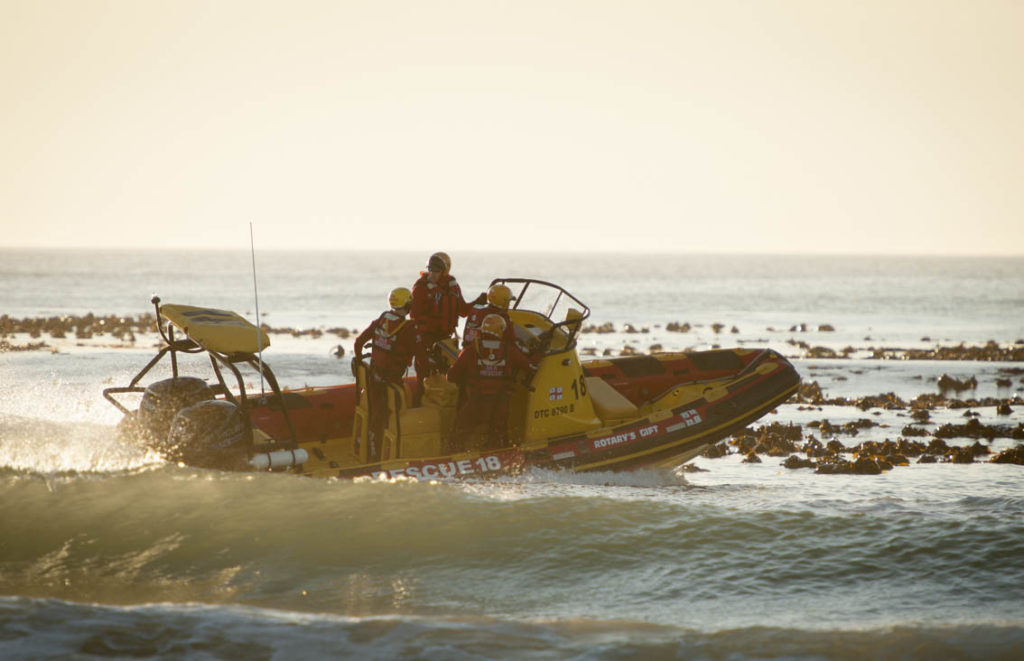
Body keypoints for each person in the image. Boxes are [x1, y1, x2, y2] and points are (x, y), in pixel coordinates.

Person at [353, 287, 427, 461]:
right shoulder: (408, 328)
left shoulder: (382, 319)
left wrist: (359, 361)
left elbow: (358, 342)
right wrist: (426, 374)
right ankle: (379, 456)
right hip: (391, 382)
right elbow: (422, 356)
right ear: (408, 305)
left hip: (373, 377)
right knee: (388, 416)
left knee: (375, 414)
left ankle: (372, 450)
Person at [446, 313, 535, 452]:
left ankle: (454, 457)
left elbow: (450, 376)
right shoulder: (510, 351)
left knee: (459, 431)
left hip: (474, 404)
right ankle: (499, 457)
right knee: (498, 434)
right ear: (501, 331)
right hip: (499, 406)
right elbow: (530, 367)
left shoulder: (470, 351)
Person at [410, 252, 481, 383]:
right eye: (430, 269)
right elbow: (414, 316)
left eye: (437, 270)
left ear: (445, 271)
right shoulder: (421, 288)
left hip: (446, 340)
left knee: (448, 378)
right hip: (427, 340)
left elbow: (463, 311)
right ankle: (418, 398)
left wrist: (477, 302)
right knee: (424, 376)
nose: (432, 273)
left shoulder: (452, 286)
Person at [462, 283, 516, 347]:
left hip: (470, 348)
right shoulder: (503, 318)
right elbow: (511, 341)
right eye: (508, 301)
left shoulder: (475, 310)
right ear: (503, 302)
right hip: (491, 352)